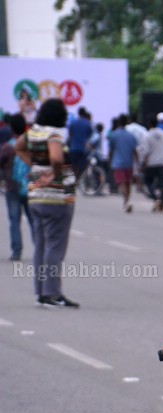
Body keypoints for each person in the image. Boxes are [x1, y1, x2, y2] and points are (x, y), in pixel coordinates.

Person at [15, 98, 79, 308]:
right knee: (55, 246)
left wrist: (34, 166)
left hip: (36, 195)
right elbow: (57, 158)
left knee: (41, 245)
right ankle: (52, 293)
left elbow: (19, 146)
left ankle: (41, 292)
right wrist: (54, 174)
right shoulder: (55, 133)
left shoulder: (34, 131)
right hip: (56, 196)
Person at [2, 114, 36, 261]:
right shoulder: (32, 145)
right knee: (33, 219)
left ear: (11, 128)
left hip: (12, 187)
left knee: (14, 220)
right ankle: (39, 247)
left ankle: (16, 251)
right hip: (30, 187)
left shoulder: (8, 147)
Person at [138, 112, 163, 213]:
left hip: (151, 163)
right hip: (162, 161)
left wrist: (143, 162)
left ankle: (154, 198)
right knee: (162, 184)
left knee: (148, 182)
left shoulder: (147, 135)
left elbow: (145, 151)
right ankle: (162, 203)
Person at [108, 116, 138, 212]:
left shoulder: (114, 135)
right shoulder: (131, 136)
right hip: (129, 162)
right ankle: (127, 201)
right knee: (128, 183)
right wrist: (138, 163)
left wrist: (109, 160)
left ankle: (126, 201)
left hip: (118, 162)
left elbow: (111, 149)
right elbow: (135, 151)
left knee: (121, 182)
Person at [66, 107, 93, 181]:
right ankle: (79, 180)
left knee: (74, 167)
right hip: (83, 149)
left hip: (73, 148)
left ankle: (75, 180)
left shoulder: (73, 123)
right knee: (82, 167)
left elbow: (70, 134)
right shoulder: (87, 123)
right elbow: (90, 135)